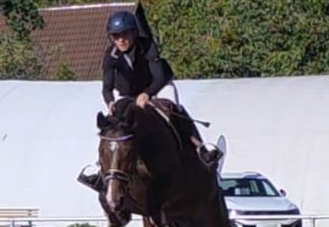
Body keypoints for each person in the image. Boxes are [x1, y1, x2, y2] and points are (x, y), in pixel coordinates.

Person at [78, 11, 222, 193]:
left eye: (124, 35)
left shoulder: (147, 47)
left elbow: (159, 77)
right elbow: (107, 87)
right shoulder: (111, 55)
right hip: (129, 94)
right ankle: (99, 168)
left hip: (158, 87)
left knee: (173, 109)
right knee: (111, 125)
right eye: (116, 36)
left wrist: (147, 94)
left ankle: (200, 148)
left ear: (133, 33)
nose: (121, 40)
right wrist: (110, 102)